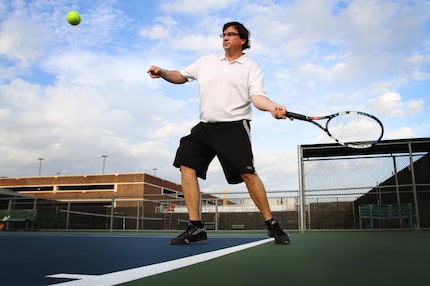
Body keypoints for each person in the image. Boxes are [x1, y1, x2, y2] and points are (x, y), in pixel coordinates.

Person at [148, 21, 290, 245]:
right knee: (186, 164)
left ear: (242, 40)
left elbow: (257, 97)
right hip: (205, 127)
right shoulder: (207, 62)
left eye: (231, 34)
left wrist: (273, 107)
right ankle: (196, 228)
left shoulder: (251, 67)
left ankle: (271, 223)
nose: (225, 38)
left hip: (234, 126)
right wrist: (162, 72)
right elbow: (181, 76)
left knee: (248, 175)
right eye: (223, 34)